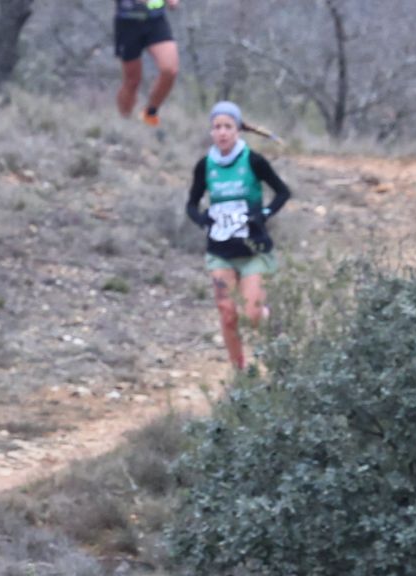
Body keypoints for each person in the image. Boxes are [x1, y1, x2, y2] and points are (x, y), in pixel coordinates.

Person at [184, 101, 292, 372]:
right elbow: (191, 204)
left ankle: (271, 334)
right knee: (227, 313)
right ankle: (240, 372)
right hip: (220, 251)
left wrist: (264, 213)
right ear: (211, 132)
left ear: (238, 130)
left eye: (227, 127)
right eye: (217, 127)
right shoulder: (205, 165)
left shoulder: (253, 161)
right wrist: (202, 219)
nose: (222, 133)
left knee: (252, 314)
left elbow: (283, 192)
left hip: (254, 249)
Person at [114, 0, 180, 128]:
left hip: (155, 20)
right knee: (132, 81)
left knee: (170, 70)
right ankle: (124, 122)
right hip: (127, 22)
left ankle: (150, 113)